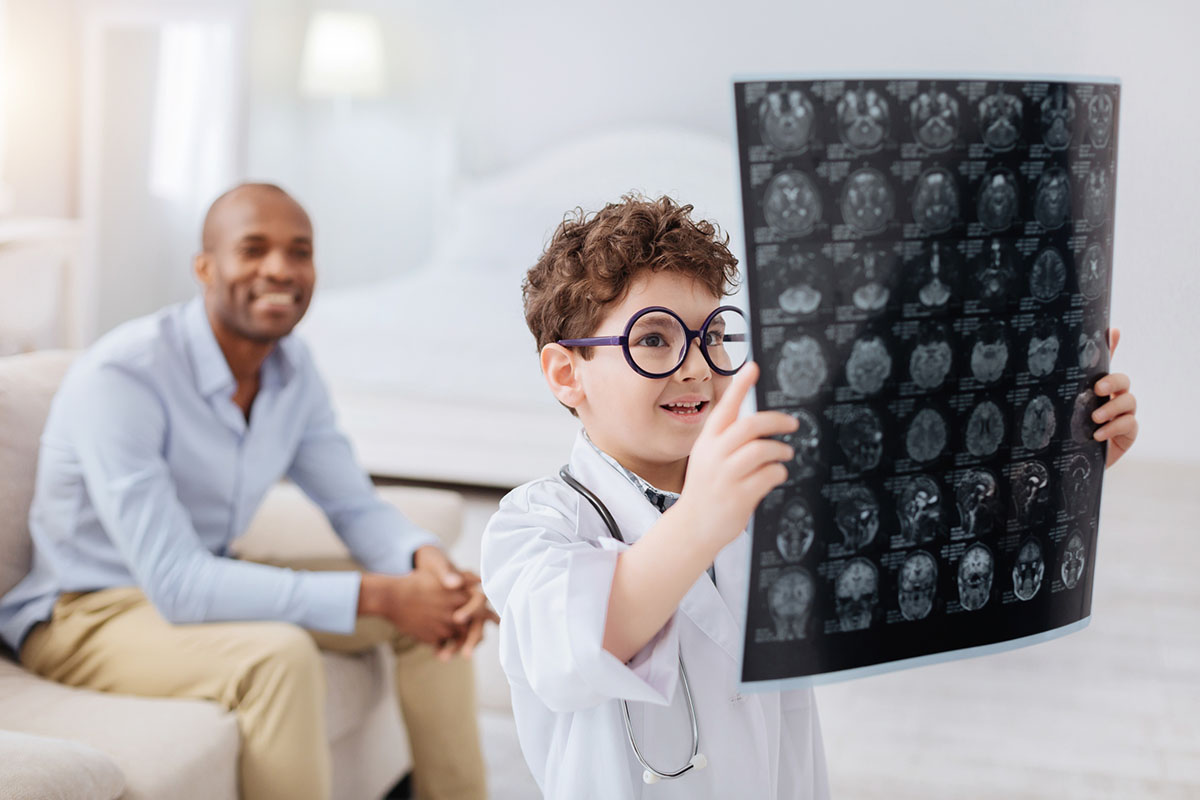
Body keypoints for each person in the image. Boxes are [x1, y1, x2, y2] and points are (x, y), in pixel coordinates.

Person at [480, 194, 1139, 799]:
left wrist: (1066, 454)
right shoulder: (534, 525)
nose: (697, 366)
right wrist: (706, 519)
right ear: (567, 373)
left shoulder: (770, 492)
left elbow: (938, 537)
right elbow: (578, 641)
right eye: (654, 338)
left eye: (712, 337)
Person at [0, 183, 493, 800]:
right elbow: (177, 584)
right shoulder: (124, 376)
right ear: (206, 267)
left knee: (435, 612)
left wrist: (426, 568)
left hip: (207, 575)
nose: (280, 269)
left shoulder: (292, 371)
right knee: (277, 659)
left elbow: (353, 504)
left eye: (300, 251)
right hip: (83, 612)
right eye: (253, 249)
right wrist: (384, 596)